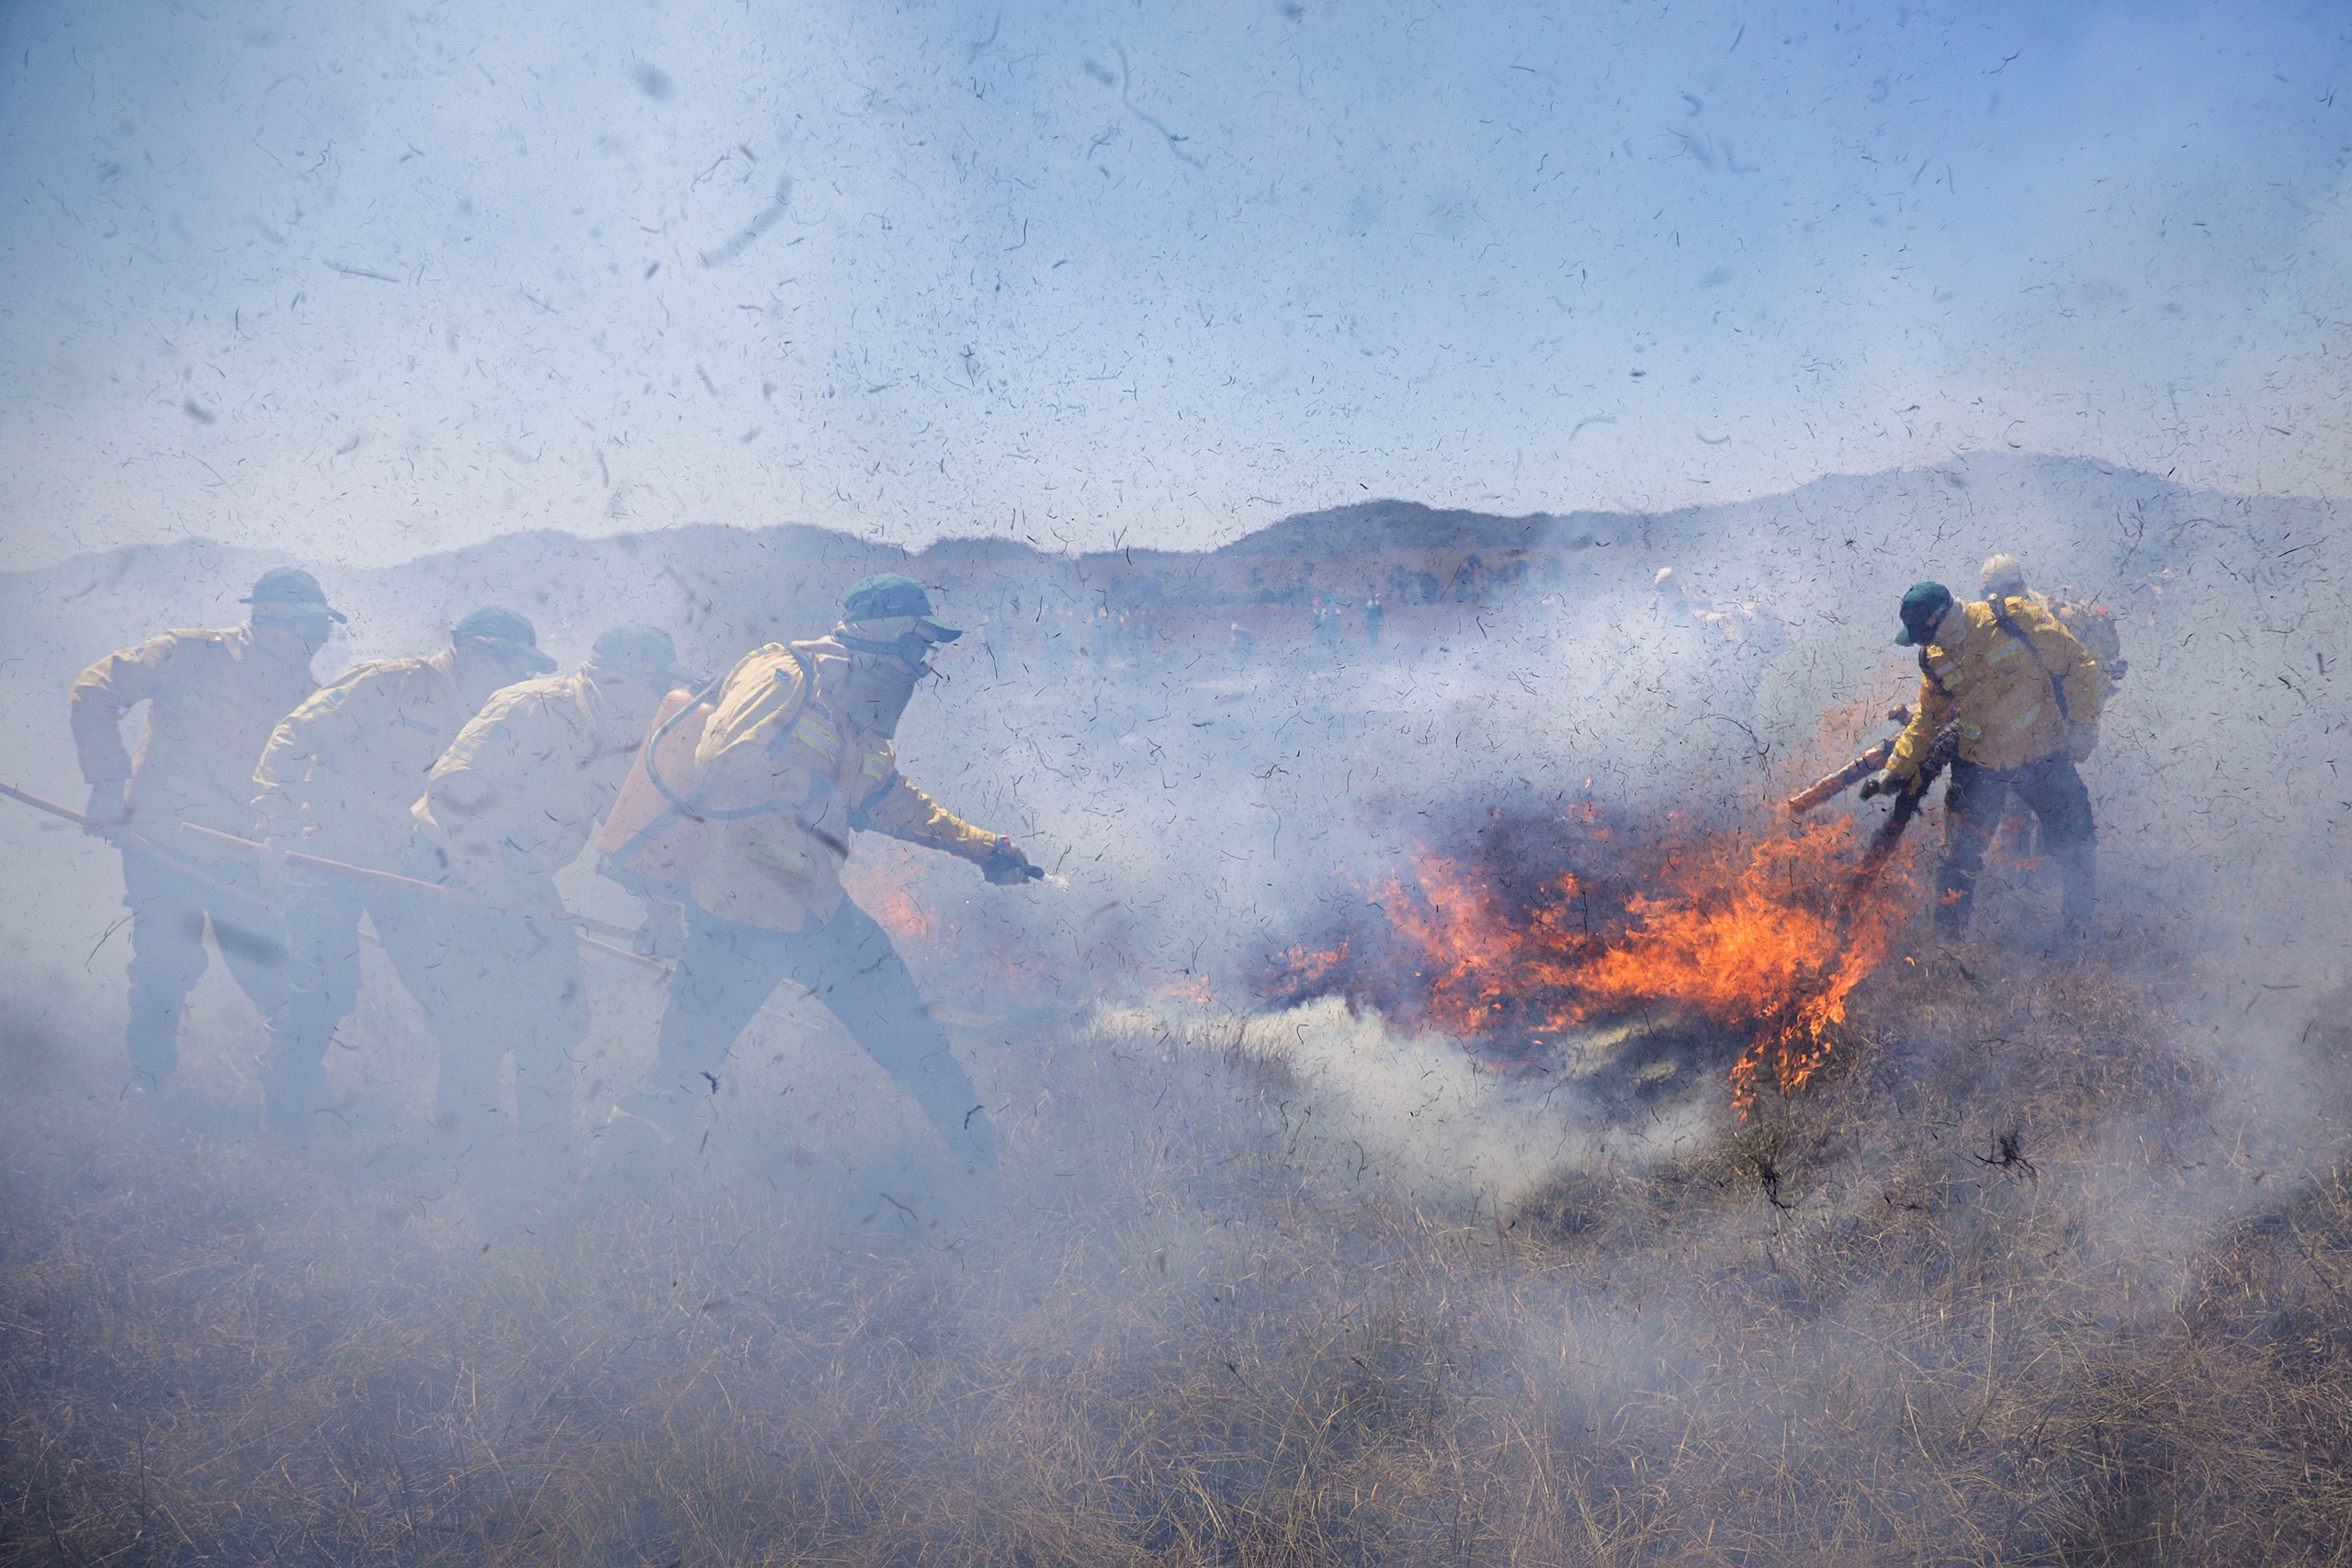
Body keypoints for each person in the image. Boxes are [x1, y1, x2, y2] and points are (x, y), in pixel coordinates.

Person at [592, 574, 1035, 1206]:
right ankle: (592, 1209)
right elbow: (723, 757)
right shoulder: (783, 674)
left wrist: (981, 847)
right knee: (678, 1080)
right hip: (738, 916)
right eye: (917, 644)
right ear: (883, 632)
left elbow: (891, 802)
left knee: (917, 1044)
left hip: (820, 914)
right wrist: (808, 788)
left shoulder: (858, 723)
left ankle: (996, 1177)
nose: (921, 664)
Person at [374, 622, 695, 1184]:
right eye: (657, 687)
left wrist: (662, 911)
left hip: (518, 877)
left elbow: (626, 836)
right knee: (474, 1019)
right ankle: (466, 1158)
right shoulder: (530, 706)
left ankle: (548, 1156)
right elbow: (453, 786)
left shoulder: (625, 739)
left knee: (556, 1012)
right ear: (620, 681)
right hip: (448, 859)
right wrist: (485, 879)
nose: (662, 702)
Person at [247, 606, 557, 1140]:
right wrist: (274, 821)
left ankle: (459, 1128)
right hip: (329, 854)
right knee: (321, 988)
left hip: (415, 869)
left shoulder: (501, 715)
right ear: (476, 651)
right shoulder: (390, 683)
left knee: (450, 991)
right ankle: (287, 1120)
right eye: (515, 664)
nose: (521, 678)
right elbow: (293, 737)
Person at [69, 568, 343, 1125]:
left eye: (325, 631)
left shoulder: (310, 696)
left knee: (272, 974)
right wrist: (105, 784)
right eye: (313, 628)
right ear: (270, 619)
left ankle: (294, 1103)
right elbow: (95, 689)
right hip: (161, 846)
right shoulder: (189, 654)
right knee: (165, 968)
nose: (318, 642)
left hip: (244, 860)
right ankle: (148, 1090)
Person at [1865, 581, 2103, 948]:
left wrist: (2085, 725)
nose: (1923, 643)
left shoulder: (2011, 618)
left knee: (2074, 842)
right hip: (1979, 766)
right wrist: (1896, 770)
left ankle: (2079, 931)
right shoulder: (1935, 658)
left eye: (1924, 633)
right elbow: (1927, 719)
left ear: (1943, 615)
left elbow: (2076, 662)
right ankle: (1948, 945)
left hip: (2042, 757)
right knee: (1960, 857)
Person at [1980, 554, 2128, 696]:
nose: (1989, 598)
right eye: (1986, 591)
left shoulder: (2054, 614)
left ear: (2014, 587)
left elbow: (2088, 658)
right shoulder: (1996, 622)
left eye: (1995, 591)